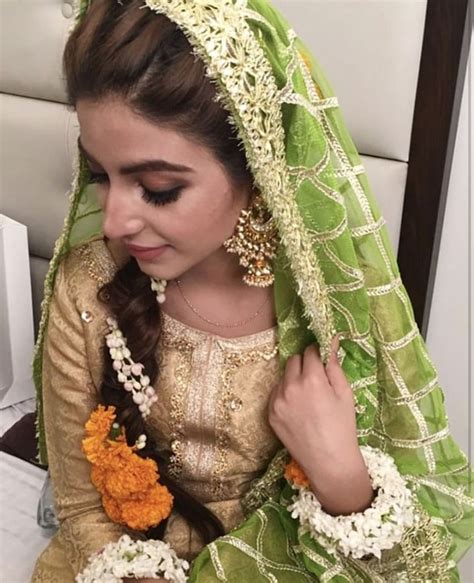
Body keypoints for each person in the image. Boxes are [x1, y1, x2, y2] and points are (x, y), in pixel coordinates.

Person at [32, 0, 473, 581]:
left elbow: (416, 570)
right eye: (99, 176)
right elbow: (84, 508)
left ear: (256, 167)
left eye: (159, 188)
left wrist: (340, 476)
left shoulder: (334, 312)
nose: (113, 221)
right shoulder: (88, 289)